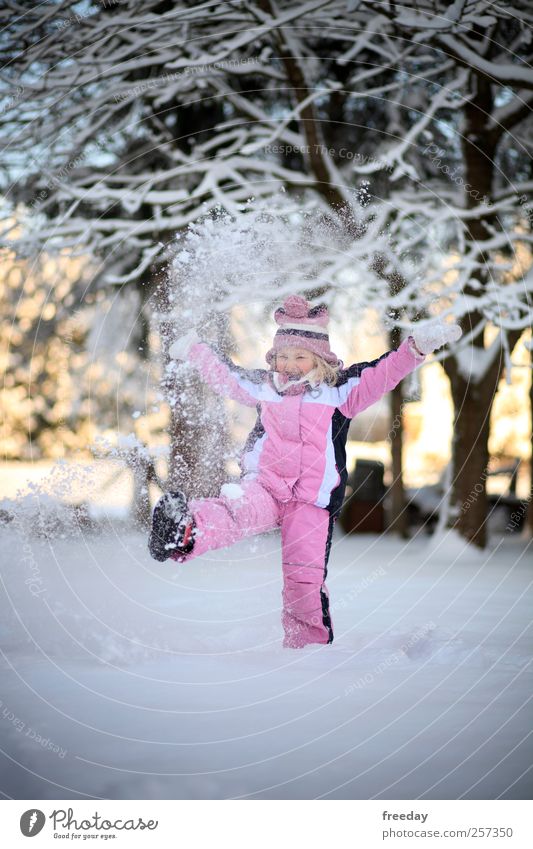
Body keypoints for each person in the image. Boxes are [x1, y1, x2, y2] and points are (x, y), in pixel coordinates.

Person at [148, 294, 461, 648]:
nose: (289, 364)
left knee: (303, 577)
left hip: (311, 501)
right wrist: (195, 350)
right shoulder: (266, 388)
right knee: (236, 512)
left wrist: (416, 348)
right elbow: (228, 378)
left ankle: (307, 651)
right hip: (265, 486)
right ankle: (184, 530)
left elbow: (381, 374)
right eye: (282, 356)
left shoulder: (339, 392)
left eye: (299, 356)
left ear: (319, 359)